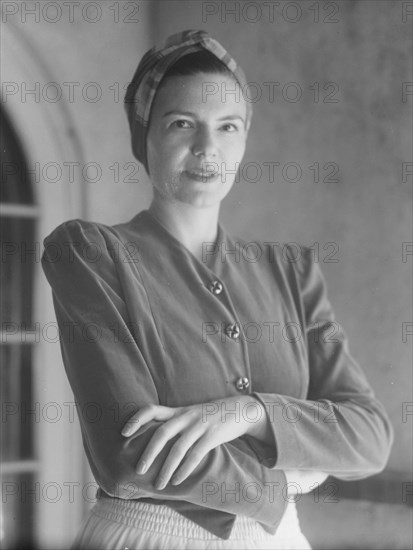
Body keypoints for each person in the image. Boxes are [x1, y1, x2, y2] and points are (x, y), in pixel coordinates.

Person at [41, 30, 393, 550]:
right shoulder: (91, 255)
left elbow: (369, 437)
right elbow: (128, 456)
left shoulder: (290, 271)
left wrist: (251, 412)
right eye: (182, 123)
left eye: (227, 127)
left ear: (245, 139)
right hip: (146, 539)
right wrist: (285, 480)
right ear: (145, 137)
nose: (208, 148)